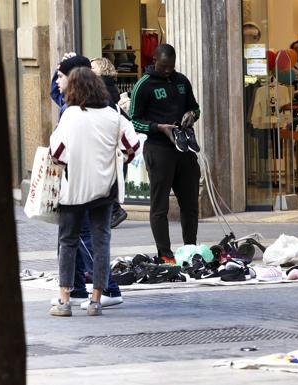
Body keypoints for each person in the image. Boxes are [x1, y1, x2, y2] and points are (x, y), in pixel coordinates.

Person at [48, 68, 140, 316]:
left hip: (73, 190)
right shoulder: (114, 116)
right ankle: (96, 300)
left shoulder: (70, 116)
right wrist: (117, 163)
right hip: (104, 190)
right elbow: (132, 146)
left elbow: (56, 153)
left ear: (74, 88)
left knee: (68, 242)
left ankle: (65, 300)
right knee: (101, 243)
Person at [130, 44, 201, 264]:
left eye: (171, 66)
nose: (168, 70)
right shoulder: (144, 85)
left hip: (184, 147)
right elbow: (133, 120)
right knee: (159, 205)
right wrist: (158, 127)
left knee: (190, 204)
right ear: (154, 61)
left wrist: (191, 115)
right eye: (163, 66)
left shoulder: (182, 81)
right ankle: (165, 253)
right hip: (159, 149)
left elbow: (195, 107)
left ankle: (190, 248)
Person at [91, 57, 128, 228]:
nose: (89, 70)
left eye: (93, 67)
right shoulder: (107, 85)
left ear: (102, 69)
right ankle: (113, 211)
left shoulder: (100, 87)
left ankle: (115, 210)